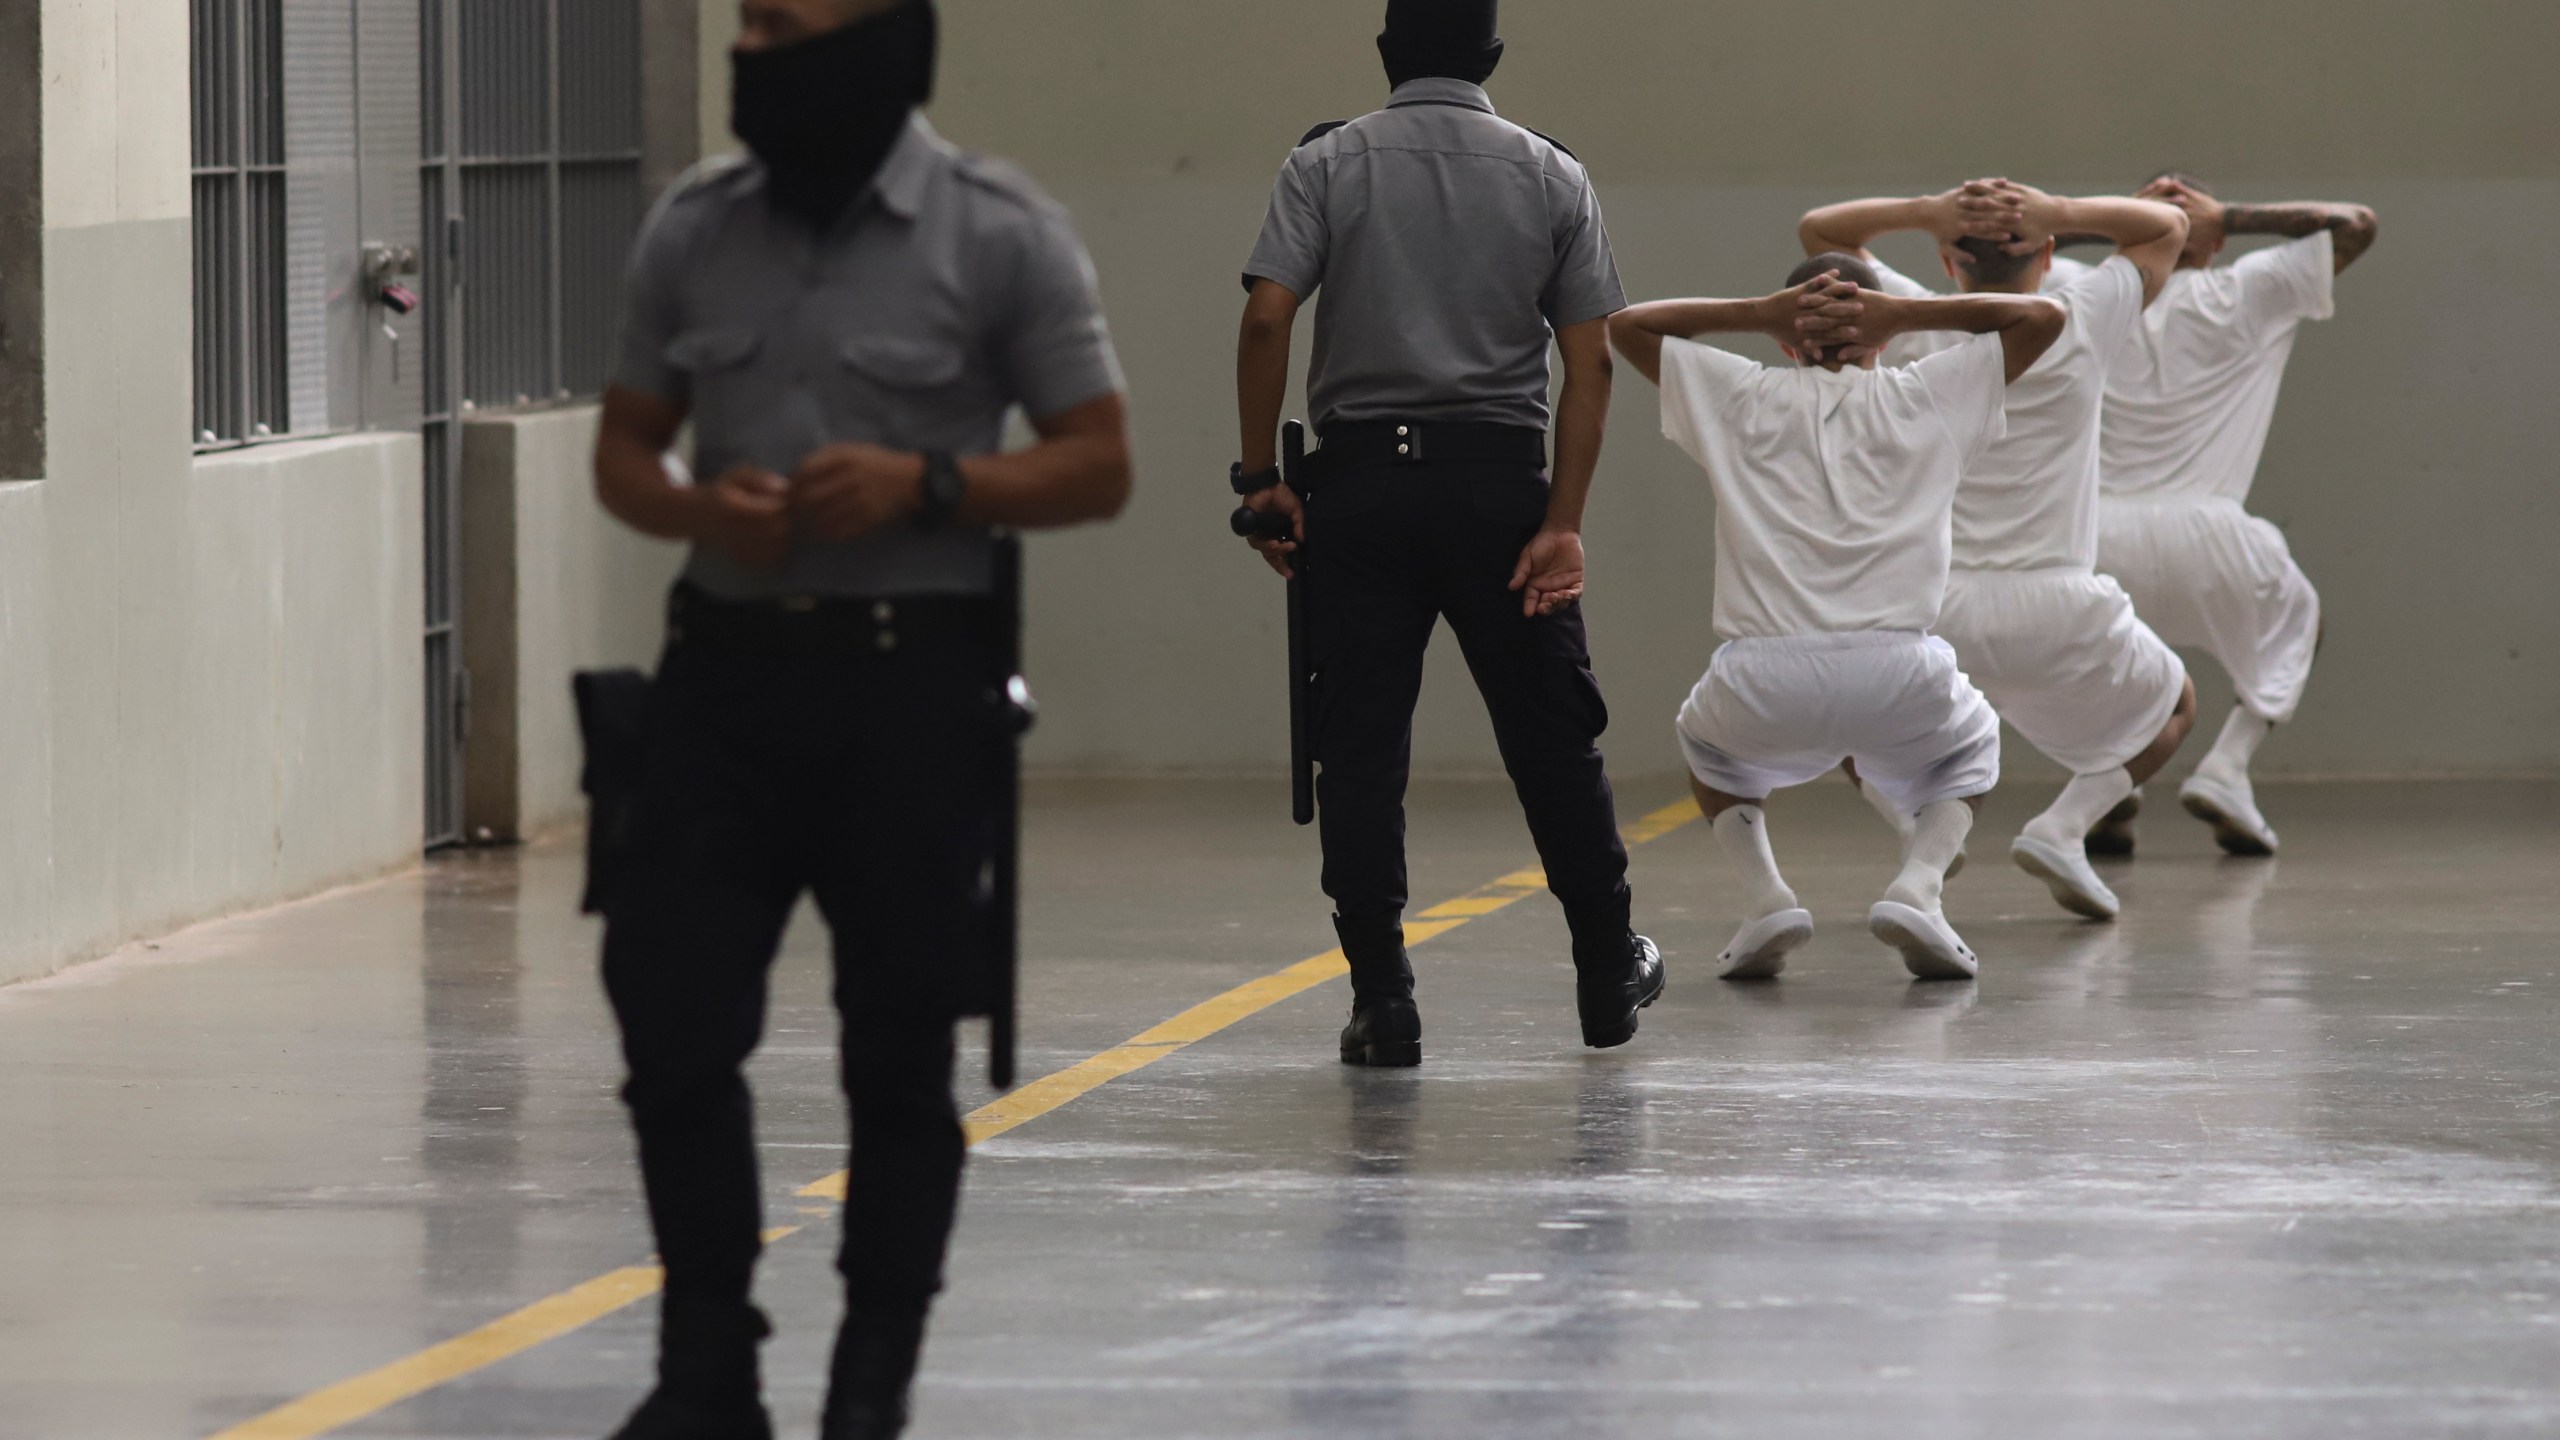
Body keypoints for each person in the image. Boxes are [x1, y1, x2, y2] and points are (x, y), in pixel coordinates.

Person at [587, 1, 1133, 1436]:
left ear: (887, 40)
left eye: (791, 24)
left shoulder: (998, 230)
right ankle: (706, 1368)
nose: (756, 50)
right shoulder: (694, 228)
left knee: (898, 1053)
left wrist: (931, 487)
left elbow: (1099, 463)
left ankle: (869, 1384)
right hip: (724, 681)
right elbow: (626, 453)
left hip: (912, 689)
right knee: (671, 1023)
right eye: (749, 24)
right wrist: (704, 510)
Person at [1231, 0, 1662, 1064]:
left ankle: (1385, 1002)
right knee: (1553, 739)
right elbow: (1591, 361)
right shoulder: (1550, 173)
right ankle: (1606, 974)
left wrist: (1257, 481)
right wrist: (1562, 521)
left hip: (1361, 493)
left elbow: (1265, 316)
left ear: (1385, 55)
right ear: (1493, 57)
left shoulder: (1326, 164)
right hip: (1496, 491)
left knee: (1362, 754)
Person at [1609, 259, 2065, 981]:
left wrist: (1761, 311)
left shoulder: (1740, 394)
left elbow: (1627, 326)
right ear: (1878, 336)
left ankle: (1768, 899)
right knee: (1972, 748)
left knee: (1707, 745)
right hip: (1901, 673)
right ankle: (1919, 888)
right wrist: (1903, 314)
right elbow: (2044, 317)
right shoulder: (1930, 395)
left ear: (1790, 340)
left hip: (1762, 679)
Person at [1797, 180, 2199, 920]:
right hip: (2061, 606)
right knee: (2176, 703)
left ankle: (1923, 832)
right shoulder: (2084, 314)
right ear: (2048, 258)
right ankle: (2064, 828)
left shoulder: (1911, 320)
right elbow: (2167, 227)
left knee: (1853, 729)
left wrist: (1927, 211)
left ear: (1950, 264)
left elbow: (1821, 229)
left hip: (1930, 609)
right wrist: (2058, 212)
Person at [2089, 173, 2379, 855]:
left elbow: (1998, 244)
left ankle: (2106, 782)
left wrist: (2124, 219)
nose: (2168, 188)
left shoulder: (2083, 290)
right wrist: (2221, 216)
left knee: (2094, 659)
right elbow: (2355, 223)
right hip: (2211, 537)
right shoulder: (2249, 287)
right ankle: (2226, 767)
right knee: (2299, 621)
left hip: (2094, 541)